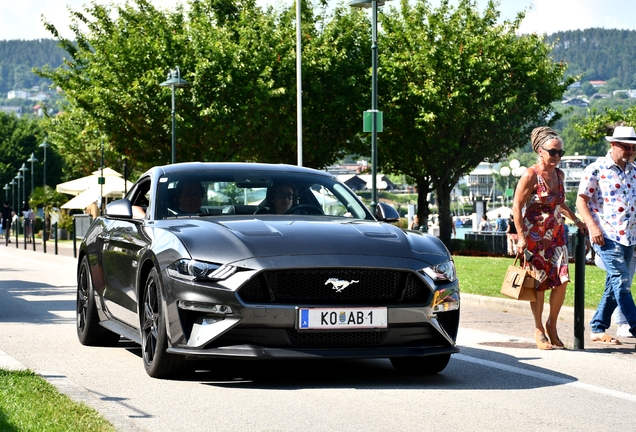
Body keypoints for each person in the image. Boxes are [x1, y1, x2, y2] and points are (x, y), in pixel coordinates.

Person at [513, 126, 586, 350]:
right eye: (553, 152)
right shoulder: (530, 174)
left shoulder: (559, 174)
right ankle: (538, 329)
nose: (557, 157)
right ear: (540, 150)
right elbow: (517, 205)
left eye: (560, 153)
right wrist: (521, 237)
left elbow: (559, 202)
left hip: (556, 235)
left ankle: (552, 325)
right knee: (538, 283)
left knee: (561, 280)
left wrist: (576, 219)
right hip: (534, 235)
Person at [576, 125, 636, 344]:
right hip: (606, 235)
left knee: (614, 284)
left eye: (633, 147)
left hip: (629, 236)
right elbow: (581, 200)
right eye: (626, 147)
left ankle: (598, 327)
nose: (630, 151)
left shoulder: (634, 170)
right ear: (613, 145)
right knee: (622, 281)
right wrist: (593, 228)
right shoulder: (596, 168)